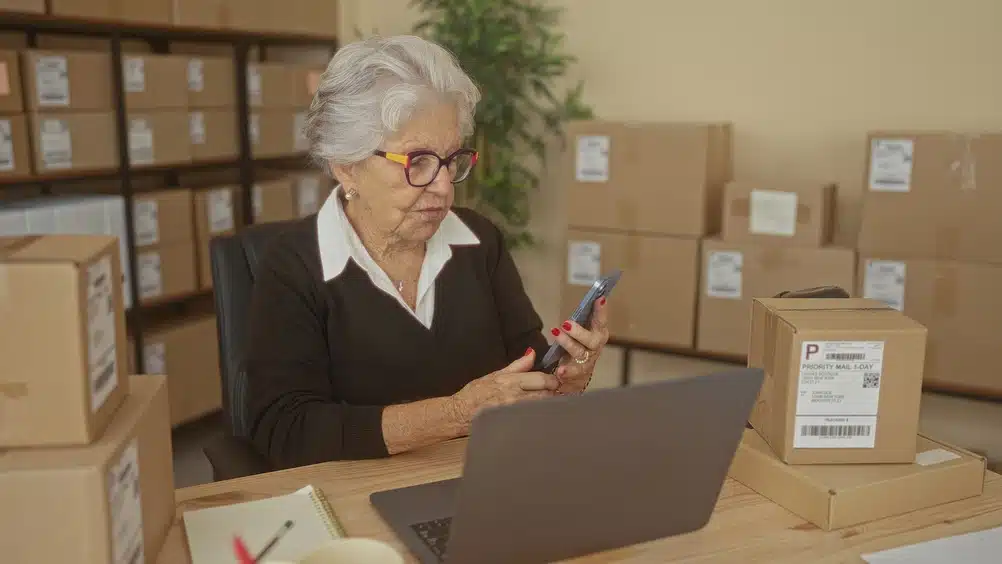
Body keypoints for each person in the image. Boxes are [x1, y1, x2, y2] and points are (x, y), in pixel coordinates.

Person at [245, 35, 611, 470]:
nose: (442, 186)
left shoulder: (479, 241)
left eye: (451, 159)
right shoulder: (294, 267)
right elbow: (286, 429)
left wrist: (566, 379)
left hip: (484, 480)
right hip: (357, 500)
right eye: (417, 161)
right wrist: (456, 414)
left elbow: (525, 367)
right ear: (346, 164)